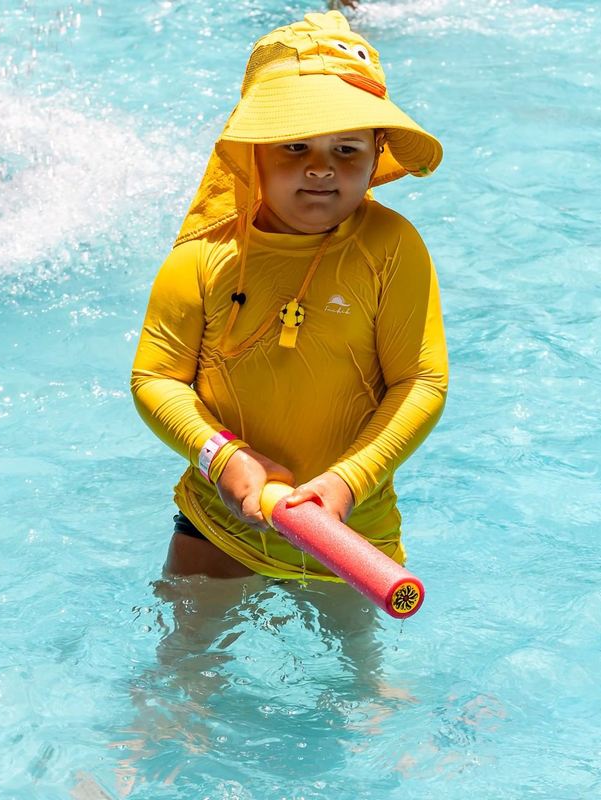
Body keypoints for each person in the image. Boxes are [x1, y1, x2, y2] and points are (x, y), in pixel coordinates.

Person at [131, 10, 448, 583]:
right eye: (295, 145)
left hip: (348, 525)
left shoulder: (392, 247)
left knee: (361, 672)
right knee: (184, 666)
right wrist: (221, 458)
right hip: (219, 518)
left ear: (377, 154)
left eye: (347, 149)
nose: (322, 168)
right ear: (253, 152)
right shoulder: (204, 256)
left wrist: (349, 479)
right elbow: (155, 379)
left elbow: (421, 381)